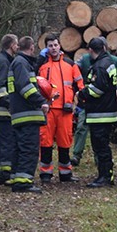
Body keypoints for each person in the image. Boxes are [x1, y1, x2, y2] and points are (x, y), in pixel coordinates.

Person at [36, 33, 84, 183]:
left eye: (55, 45)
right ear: (46, 48)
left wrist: (77, 102)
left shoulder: (70, 64)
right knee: (45, 141)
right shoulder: (42, 65)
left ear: (60, 45)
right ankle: (45, 173)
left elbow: (80, 85)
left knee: (65, 141)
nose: (54, 48)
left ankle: (65, 173)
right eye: (50, 46)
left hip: (65, 110)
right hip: (48, 110)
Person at [7, 36, 50, 193]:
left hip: (21, 113)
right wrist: (41, 101)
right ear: (32, 47)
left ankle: (18, 179)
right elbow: (26, 88)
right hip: (27, 114)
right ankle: (24, 183)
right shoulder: (21, 63)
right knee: (29, 149)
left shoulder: (20, 63)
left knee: (20, 148)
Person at [76, 37, 117, 188]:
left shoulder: (100, 66)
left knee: (101, 147)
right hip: (105, 111)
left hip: (100, 113)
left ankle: (105, 176)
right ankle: (106, 175)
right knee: (102, 146)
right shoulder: (108, 63)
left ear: (90, 50)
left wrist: (82, 94)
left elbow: (98, 89)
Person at [71, 51, 117, 166]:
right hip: (87, 101)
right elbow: (73, 68)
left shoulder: (113, 60)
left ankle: (99, 159)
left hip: (103, 104)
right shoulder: (85, 58)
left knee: (100, 137)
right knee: (81, 127)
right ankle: (76, 155)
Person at [0, 34, 18, 185]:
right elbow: (0, 87)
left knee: (0, 143)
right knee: (8, 142)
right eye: (16, 44)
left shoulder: (1, 59)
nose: (18, 47)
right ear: (11, 45)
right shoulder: (3, 62)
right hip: (3, 111)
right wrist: (11, 104)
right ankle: (5, 174)